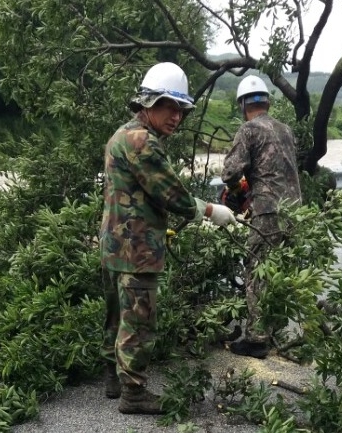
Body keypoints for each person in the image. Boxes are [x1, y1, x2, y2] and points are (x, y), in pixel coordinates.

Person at [100, 62, 237, 415]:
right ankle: (133, 394)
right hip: (137, 248)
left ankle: (113, 378)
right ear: (148, 103)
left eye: (181, 111)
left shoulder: (121, 134)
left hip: (115, 244)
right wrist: (210, 211)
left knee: (116, 316)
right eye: (169, 107)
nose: (176, 117)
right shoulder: (143, 141)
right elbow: (171, 194)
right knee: (138, 321)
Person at [221, 75, 302, 359]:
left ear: (243, 105)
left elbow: (231, 171)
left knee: (257, 269)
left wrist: (234, 191)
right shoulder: (286, 129)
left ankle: (256, 339)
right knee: (280, 269)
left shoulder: (249, 130)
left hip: (267, 210)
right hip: (295, 211)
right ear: (267, 101)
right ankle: (275, 327)